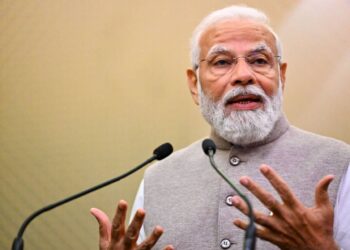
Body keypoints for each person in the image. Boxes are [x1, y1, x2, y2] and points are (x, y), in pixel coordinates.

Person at [90, 5, 350, 250]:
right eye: (222, 62)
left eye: (259, 60)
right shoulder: (158, 179)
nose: (243, 75)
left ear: (281, 76)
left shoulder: (340, 164)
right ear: (194, 85)